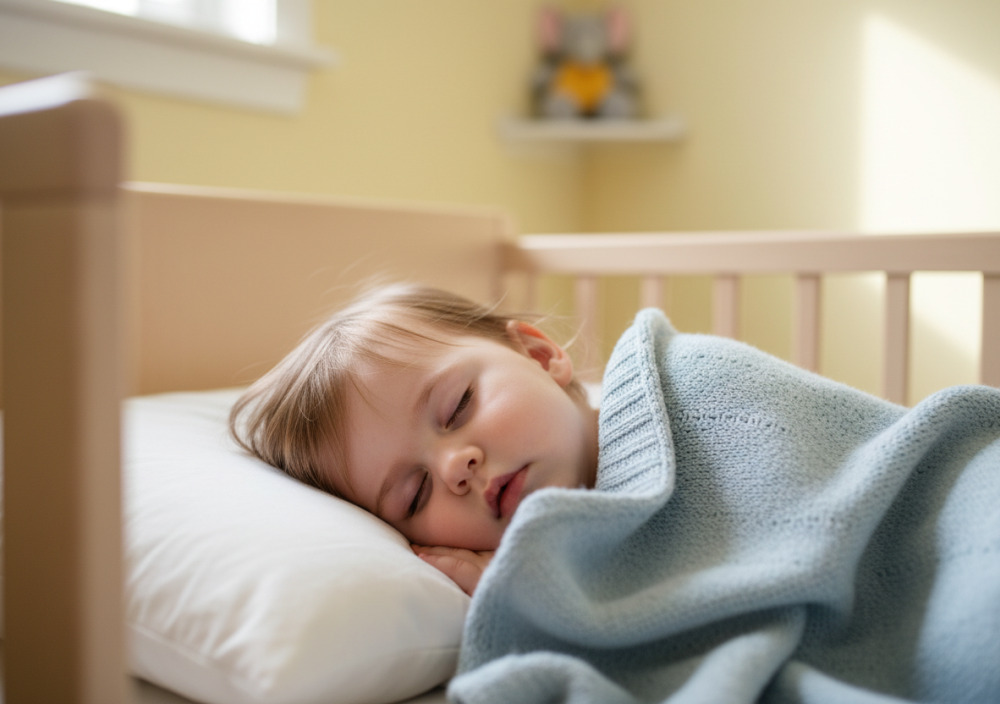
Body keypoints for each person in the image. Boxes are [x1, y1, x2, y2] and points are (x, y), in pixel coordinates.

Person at [229, 282, 599, 596]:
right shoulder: (529, 589)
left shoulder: (656, 387)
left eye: (458, 407)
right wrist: (525, 602)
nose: (454, 466)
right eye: (416, 494)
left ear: (538, 354)